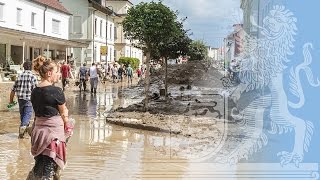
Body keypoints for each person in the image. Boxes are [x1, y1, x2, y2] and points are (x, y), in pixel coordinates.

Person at [27, 56, 73, 179]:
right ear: (49, 73)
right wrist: (68, 127)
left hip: (38, 133)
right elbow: (63, 113)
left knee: (39, 165)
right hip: (53, 135)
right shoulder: (56, 91)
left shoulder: (34, 91)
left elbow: (38, 111)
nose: (59, 74)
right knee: (49, 168)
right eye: (57, 72)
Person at [9, 61, 38, 138]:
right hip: (29, 99)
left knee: (23, 115)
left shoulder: (19, 76)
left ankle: (23, 133)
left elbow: (13, 90)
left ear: (24, 67)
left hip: (20, 99)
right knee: (27, 115)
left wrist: (11, 101)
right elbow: (36, 91)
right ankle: (23, 127)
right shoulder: (33, 76)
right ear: (31, 67)